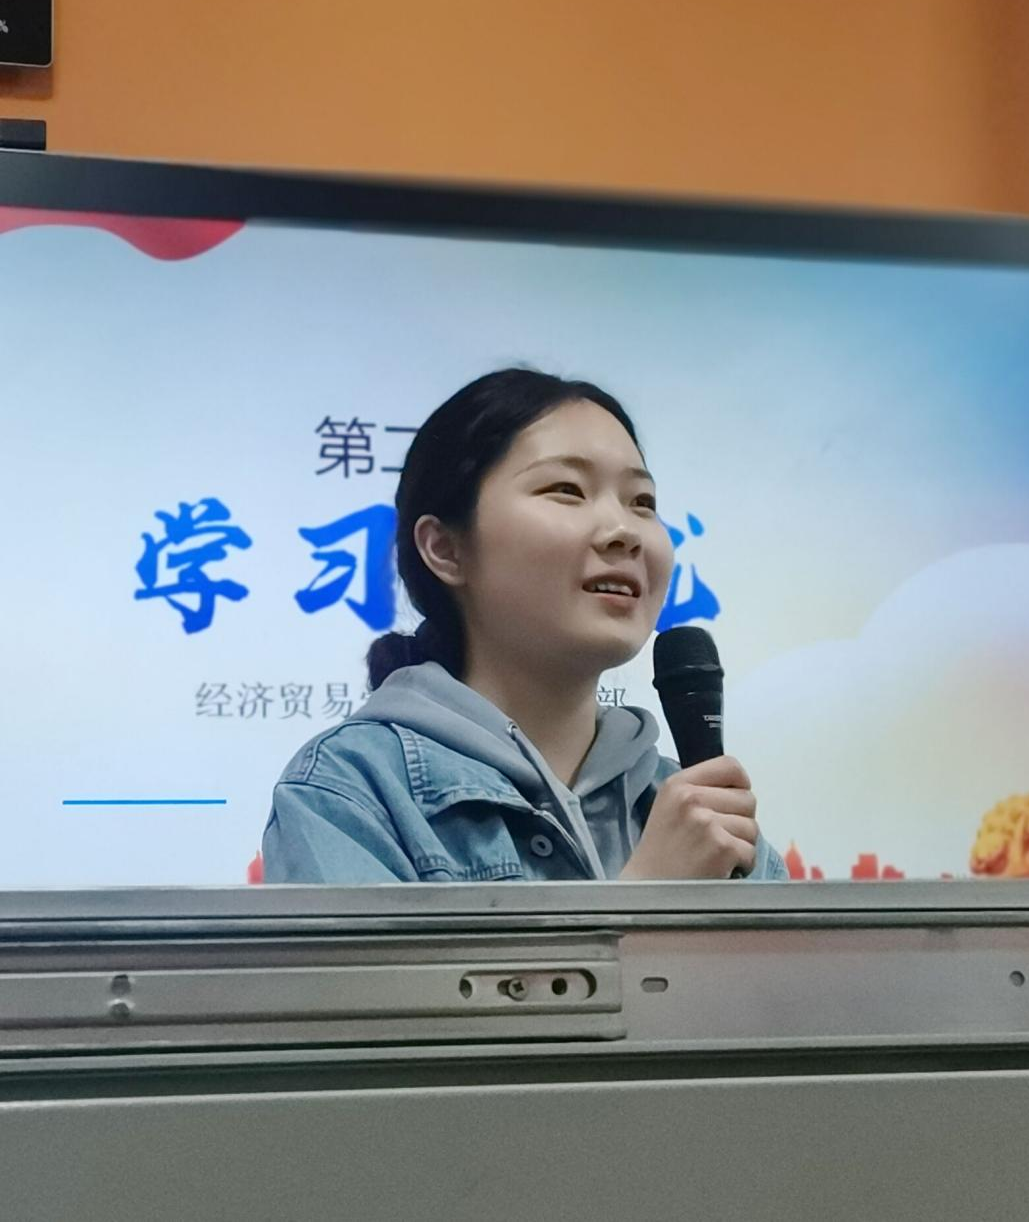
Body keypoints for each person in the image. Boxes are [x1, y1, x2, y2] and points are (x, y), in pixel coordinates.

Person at [262, 368, 786, 883]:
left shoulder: (704, 822)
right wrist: (652, 895)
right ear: (445, 549)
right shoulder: (349, 790)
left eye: (642, 502)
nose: (624, 531)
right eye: (567, 489)